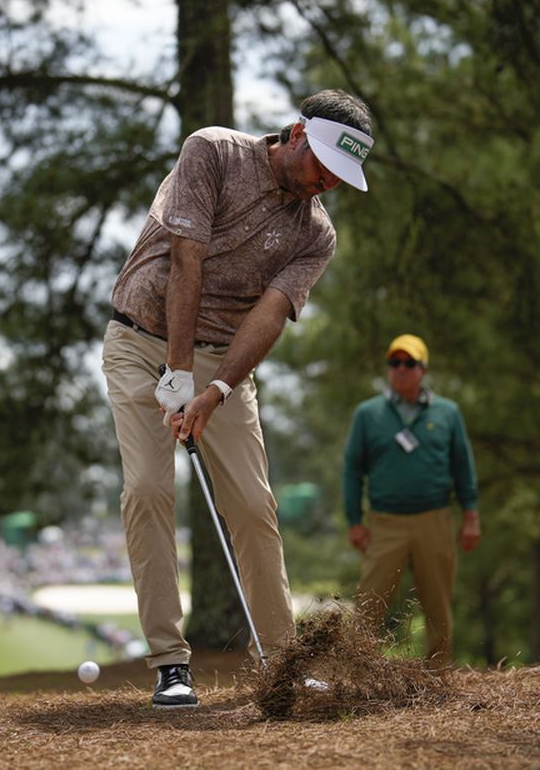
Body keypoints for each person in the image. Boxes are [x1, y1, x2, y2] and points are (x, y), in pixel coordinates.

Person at [102, 89, 374, 708]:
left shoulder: (316, 236)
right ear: (297, 133)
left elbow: (271, 314)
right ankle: (171, 664)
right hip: (143, 340)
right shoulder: (213, 151)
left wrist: (216, 388)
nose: (326, 182)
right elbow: (184, 263)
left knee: (253, 504)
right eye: (323, 164)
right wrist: (176, 374)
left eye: (340, 175)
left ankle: (281, 662)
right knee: (147, 491)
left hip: (226, 361)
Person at [343, 334, 479, 664]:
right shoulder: (369, 414)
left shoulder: (447, 413)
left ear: (423, 369)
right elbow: (352, 470)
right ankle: (359, 675)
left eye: (409, 363)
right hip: (385, 522)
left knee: (437, 601)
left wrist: (471, 516)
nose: (401, 369)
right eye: (395, 363)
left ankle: (437, 675)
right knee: (369, 601)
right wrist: (355, 521)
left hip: (434, 519)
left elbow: (462, 466)